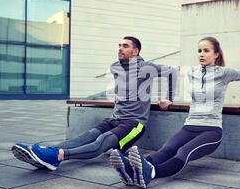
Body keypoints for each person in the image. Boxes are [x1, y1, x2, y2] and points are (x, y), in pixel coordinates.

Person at [11, 36, 178, 171]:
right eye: (119, 45)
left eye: (125, 46)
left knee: (102, 142)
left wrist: (169, 97)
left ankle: (58, 155)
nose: (120, 48)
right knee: (87, 135)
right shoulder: (115, 67)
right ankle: (48, 152)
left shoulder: (145, 67)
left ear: (135, 51)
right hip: (115, 118)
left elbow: (172, 72)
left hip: (134, 124)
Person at [109, 36, 240, 188]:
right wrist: (169, 99)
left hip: (211, 130)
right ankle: (132, 170)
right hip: (189, 126)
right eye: (199, 51)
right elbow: (172, 75)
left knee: (183, 151)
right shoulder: (193, 73)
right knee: (167, 149)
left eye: (206, 51)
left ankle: (150, 173)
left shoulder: (225, 73)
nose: (201, 54)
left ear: (216, 54)